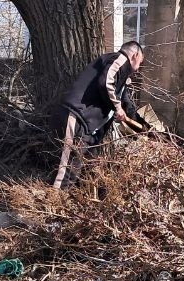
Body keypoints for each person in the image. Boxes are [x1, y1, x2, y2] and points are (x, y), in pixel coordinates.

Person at [52, 40, 150, 189]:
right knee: (67, 168)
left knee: (84, 166)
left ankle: (72, 200)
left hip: (89, 127)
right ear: (135, 55)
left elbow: (126, 105)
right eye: (140, 62)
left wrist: (145, 129)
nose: (138, 69)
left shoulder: (122, 78)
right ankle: (55, 201)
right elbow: (105, 83)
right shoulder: (120, 59)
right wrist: (117, 108)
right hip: (77, 116)